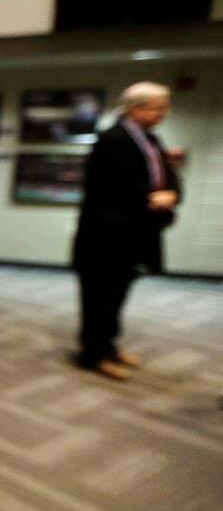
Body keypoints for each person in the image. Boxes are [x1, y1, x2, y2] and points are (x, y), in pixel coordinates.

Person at [73, 82, 182, 380]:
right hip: (107, 239)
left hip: (133, 236)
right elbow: (107, 192)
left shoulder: (150, 140)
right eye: (158, 107)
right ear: (136, 108)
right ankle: (92, 355)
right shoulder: (112, 140)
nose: (164, 113)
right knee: (99, 298)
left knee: (115, 296)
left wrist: (172, 194)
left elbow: (168, 175)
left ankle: (107, 346)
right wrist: (152, 200)